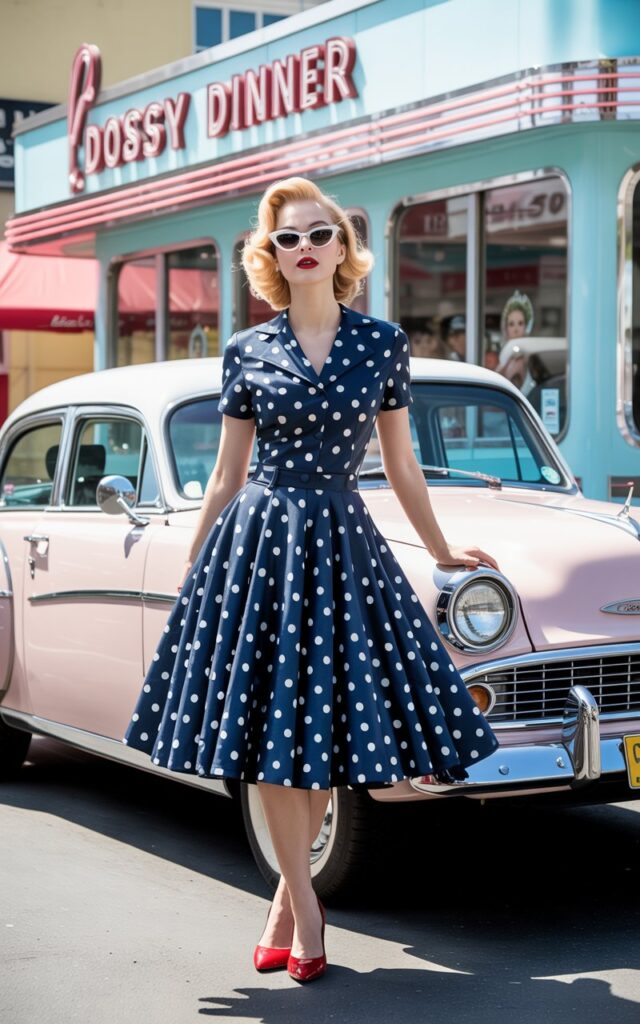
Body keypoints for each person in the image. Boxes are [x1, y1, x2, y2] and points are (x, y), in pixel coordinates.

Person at [122, 175, 502, 983]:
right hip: (258, 545)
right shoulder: (246, 351)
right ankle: (307, 906)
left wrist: (440, 550)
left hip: (339, 542)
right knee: (268, 734)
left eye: (316, 235)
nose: (302, 248)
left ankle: (285, 905)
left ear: (342, 247)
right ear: (272, 256)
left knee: (323, 736)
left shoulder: (381, 345)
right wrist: (196, 563)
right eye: (286, 239)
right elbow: (226, 475)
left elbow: (400, 464)